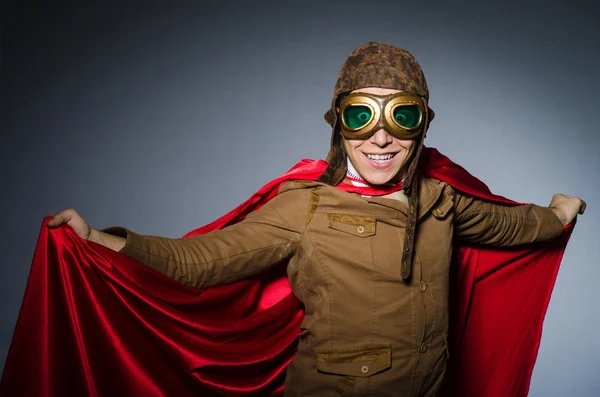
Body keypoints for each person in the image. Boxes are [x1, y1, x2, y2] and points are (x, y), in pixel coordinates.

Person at [26, 43, 588, 396]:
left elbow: (515, 229)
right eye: (362, 114)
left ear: (421, 127)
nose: (381, 135)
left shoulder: (443, 199)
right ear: (340, 125)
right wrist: (99, 240)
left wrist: (559, 212)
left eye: (402, 114)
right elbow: (200, 263)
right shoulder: (304, 205)